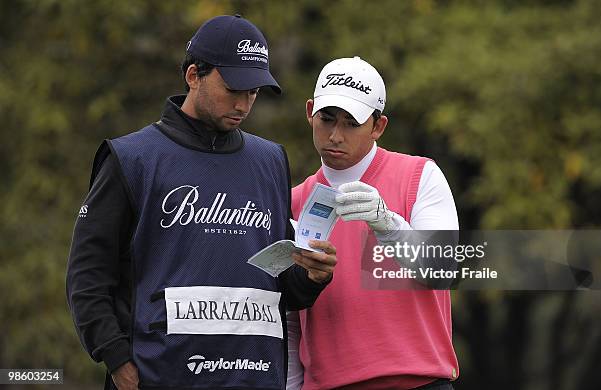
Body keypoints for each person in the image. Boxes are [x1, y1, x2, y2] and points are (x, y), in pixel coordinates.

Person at [66, 15, 337, 390]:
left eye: (254, 92)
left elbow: (278, 283)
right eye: (233, 88)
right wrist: (116, 359)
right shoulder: (131, 158)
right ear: (194, 75)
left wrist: (311, 276)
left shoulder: (270, 160)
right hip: (159, 377)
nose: (244, 103)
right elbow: (87, 274)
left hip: (254, 377)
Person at [287, 57, 459, 389]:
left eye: (352, 123)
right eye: (326, 119)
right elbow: (291, 318)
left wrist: (387, 224)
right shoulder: (293, 200)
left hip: (418, 382)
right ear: (310, 112)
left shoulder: (419, 175)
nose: (335, 135)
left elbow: (444, 269)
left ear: (378, 126)